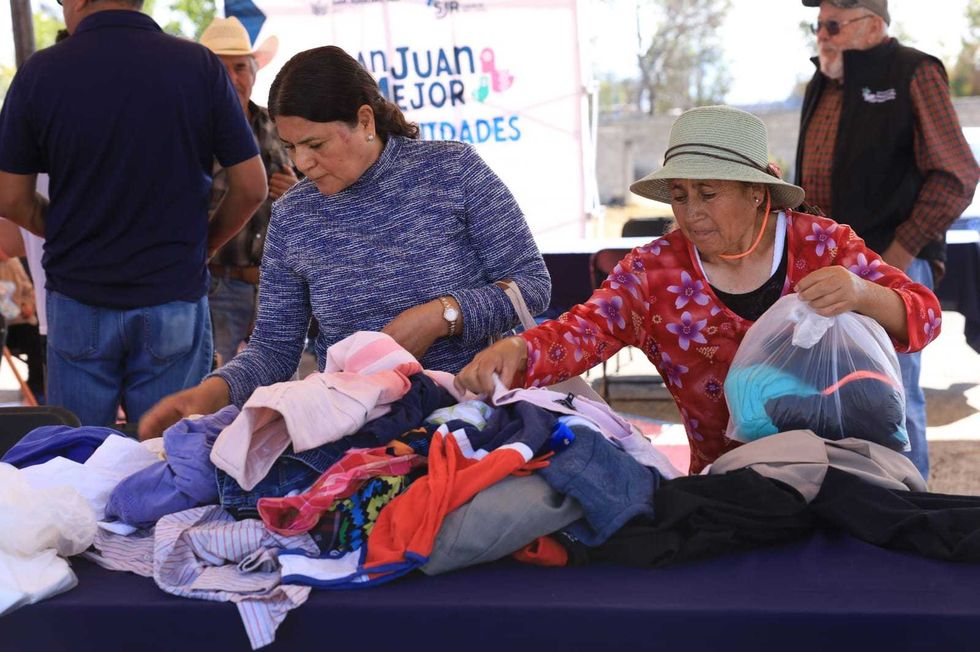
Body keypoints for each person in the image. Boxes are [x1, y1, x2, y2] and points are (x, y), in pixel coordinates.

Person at [456, 105, 942, 475]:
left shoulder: (822, 245)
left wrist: (862, 293)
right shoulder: (653, 274)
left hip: (847, 470)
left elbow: (925, 317)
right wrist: (519, 350)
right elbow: (582, 331)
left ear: (757, 193)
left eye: (708, 194)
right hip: (730, 486)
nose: (690, 213)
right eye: (681, 196)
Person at [137, 45, 551, 438]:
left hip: (474, 414)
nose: (302, 163)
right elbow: (275, 350)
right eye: (291, 147)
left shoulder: (452, 171)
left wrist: (440, 316)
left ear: (365, 121)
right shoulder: (292, 216)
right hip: (355, 428)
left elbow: (531, 285)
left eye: (315, 144)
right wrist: (210, 393)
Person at [0, 0, 268, 427]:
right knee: (168, 458)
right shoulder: (198, 66)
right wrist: (204, 243)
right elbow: (253, 187)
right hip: (173, 293)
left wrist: (65, 231)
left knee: (79, 460)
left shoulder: (40, 73)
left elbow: (10, 198)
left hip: (78, 296)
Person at [794, 0, 979, 478]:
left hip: (892, 266)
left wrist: (899, 252)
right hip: (826, 271)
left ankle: (910, 513)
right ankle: (857, 509)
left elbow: (956, 174)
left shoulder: (913, 71)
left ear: (873, 26)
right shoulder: (823, 82)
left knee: (893, 393)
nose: (822, 35)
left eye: (833, 25)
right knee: (831, 392)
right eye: (817, 26)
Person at [199, 17, 299, 367]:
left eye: (240, 67)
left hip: (277, 288)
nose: (232, 78)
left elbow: (319, 193)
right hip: (217, 286)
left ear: (255, 72)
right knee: (214, 390)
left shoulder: (277, 124)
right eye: (219, 68)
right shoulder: (192, 131)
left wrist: (297, 192)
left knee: (276, 392)